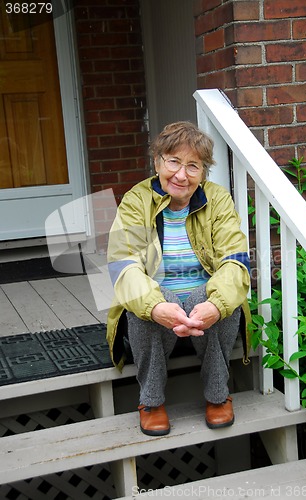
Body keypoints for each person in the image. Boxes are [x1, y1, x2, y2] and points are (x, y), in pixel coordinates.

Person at [106, 121, 251, 436]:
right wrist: (157, 306)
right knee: (148, 301)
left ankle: (217, 395)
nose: (181, 175)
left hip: (205, 319)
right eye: (173, 162)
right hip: (158, 321)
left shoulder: (218, 200)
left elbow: (235, 262)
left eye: (193, 166)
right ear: (157, 162)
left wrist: (214, 305)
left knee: (218, 298)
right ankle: (152, 401)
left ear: (204, 172)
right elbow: (123, 266)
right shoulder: (136, 199)